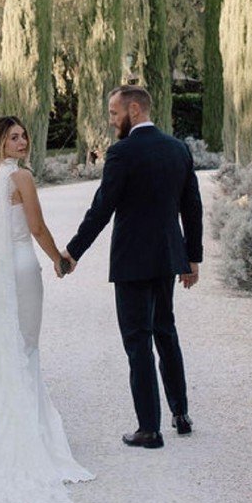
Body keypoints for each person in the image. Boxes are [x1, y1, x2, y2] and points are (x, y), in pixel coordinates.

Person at [0, 116, 93, 503]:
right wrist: (60, 259)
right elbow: (36, 227)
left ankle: (2, 435)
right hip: (19, 269)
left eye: (24, 136)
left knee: (4, 348)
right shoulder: (22, 178)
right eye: (13, 137)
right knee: (27, 349)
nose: (22, 142)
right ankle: (30, 441)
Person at [59, 83, 203, 449]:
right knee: (165, 333)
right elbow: (192, 208)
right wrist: (192, 258)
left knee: (138, 342)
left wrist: (73, 252)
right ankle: (180, 414)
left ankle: (149, 429)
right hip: (168, 259)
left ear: (134, 110)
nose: (111, 121)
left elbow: (102, 209)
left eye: (113, 113)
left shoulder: (122, 153)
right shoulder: (178, 149)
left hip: (132, 262)